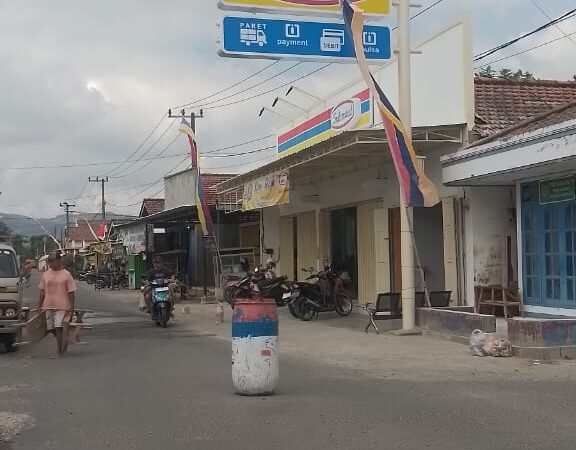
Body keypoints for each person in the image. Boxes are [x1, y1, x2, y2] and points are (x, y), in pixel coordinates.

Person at [38, 253, 77, 356]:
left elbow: (71, 292)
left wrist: (72, 308)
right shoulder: (46, 274)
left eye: (52, 261)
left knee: (58, 327)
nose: (50, 263)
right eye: (49, 261)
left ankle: (59, 351)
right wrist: (39, 305)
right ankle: (64, 340)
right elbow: (42, 291)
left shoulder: (66, 274)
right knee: (51, 328)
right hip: (48, 305)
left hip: (62, 305)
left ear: (59, 261)